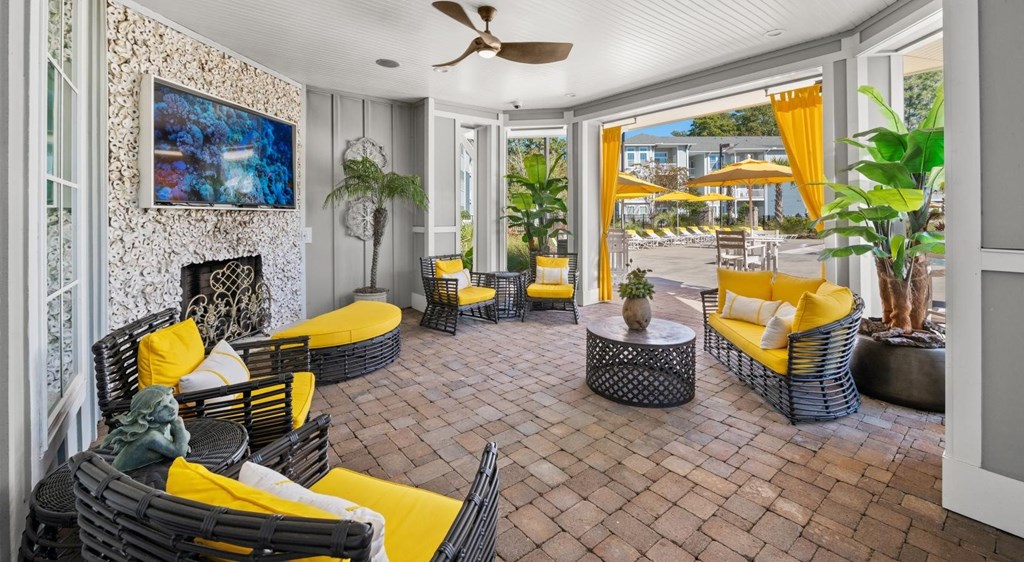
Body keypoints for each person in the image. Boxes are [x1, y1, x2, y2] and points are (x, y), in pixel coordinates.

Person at [102, 385, 190, 471]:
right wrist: (179, 424)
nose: (172, 408)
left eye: (171, 401)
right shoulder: (152, 436)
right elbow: (179, 453)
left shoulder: (164, 425)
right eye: (162, 408)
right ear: (149, 417)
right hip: (126, 478)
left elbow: (186, 435)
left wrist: (181, 441)